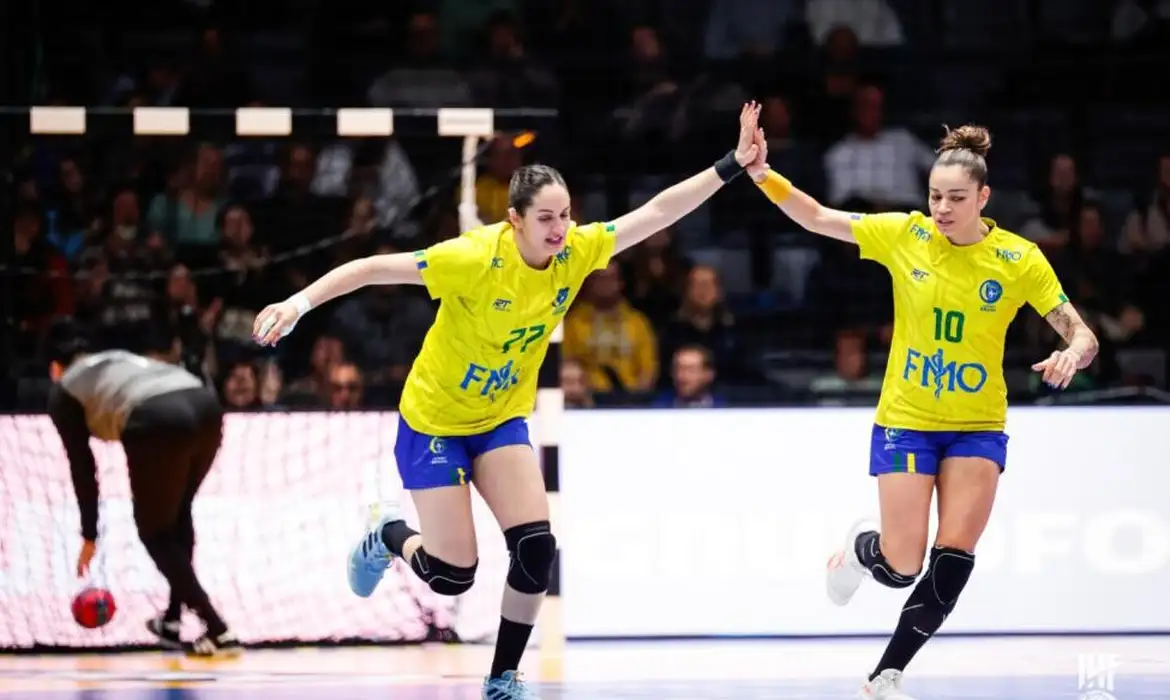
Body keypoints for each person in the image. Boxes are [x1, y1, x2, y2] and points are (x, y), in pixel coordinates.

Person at [251, 104, 764, 700]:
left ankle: (502, 678)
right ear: (514, 219)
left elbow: (656, 211)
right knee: (450, 576)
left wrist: (732, 164)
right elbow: (371, 268)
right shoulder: (472, 258)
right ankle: (387, 534)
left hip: (498, 420)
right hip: (435, 423)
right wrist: (297, 304)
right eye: (545, 218)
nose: (559, 229)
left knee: (537, 547)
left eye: (566, 215)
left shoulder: (575, 253)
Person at [747, 124, 1099, 700]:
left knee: (953, 558)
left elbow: (1080, 333)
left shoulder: (1018, 258)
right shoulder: (904, 235)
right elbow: (816, 216)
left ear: (983, 198)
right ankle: (865, 549)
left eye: (956, 198)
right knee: (901, 565)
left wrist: (1073, 354)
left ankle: (886, 674)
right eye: (935, 196)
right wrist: (763, 174)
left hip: (978, 426)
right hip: (907, 418)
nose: (941, 208)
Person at [46, 321, 239, 657]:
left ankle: (218, 629)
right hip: (206, 405)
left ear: (54, 368)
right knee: (178, 516)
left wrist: (90, 534)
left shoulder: (64, 389)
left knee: (155, 532)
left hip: (156, 417)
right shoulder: (117, 359)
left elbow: (83, 466)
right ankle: (173, 620)